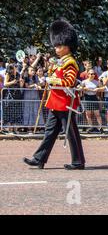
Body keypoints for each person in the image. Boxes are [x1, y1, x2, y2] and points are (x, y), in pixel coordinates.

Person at [23, 18, 85, 170]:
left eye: (59, 46)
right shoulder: (61, 61)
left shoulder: (70, 62)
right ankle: (39, 158)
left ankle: (78, 162)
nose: (56, 48)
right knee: (50, 132)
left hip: (65, 103)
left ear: (67, 46)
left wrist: (52, 79)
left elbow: (69, 81)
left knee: (71, 133)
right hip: (56, 102)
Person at [79, 69, 103, 134]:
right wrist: (85, 88)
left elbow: (103, 88)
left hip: (94, 97)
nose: (92, 75)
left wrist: (98, 89)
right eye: (91, 74)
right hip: (87, 97)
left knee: (97, 114)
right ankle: (91, 127)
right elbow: (79, 88)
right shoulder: (84, 81)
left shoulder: (96, 81)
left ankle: (100, 128)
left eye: (93, 74)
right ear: (88, 74)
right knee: (88, 114)